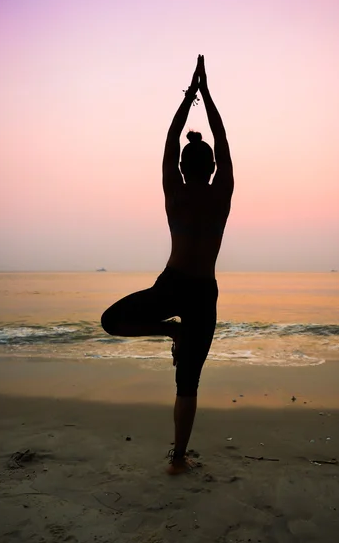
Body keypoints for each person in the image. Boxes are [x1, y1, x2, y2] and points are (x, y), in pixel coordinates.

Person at [101, 55, 234, 474]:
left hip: (172, 285)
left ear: (181, 167)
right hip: (200, 293)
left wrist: (189, 96)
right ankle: (178, 458)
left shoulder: (173, 191)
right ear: (212, 167)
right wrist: (208, 95)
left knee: (112, 320)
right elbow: (223, 139)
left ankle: (167, 330)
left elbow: (172, 136)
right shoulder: (222, 193)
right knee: (188, 382)